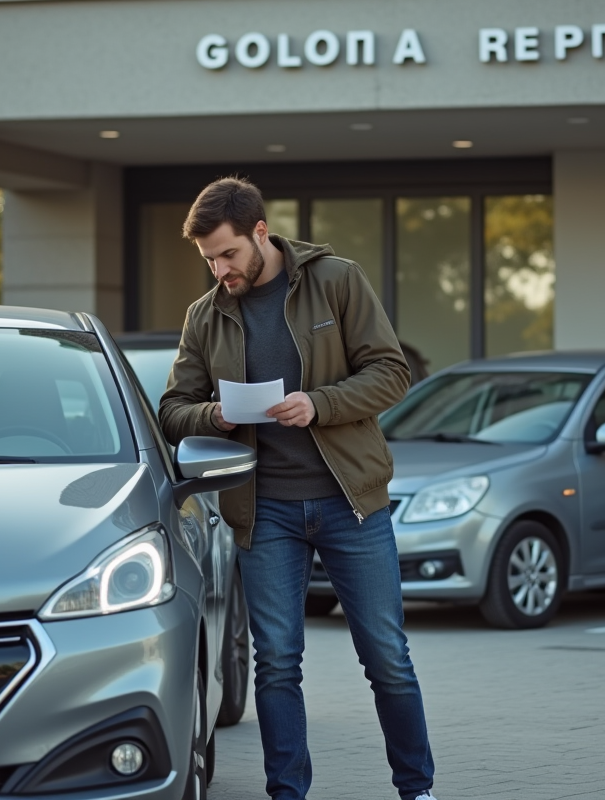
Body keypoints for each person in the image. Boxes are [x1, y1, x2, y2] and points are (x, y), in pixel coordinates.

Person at [159, 177, 437, 800]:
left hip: (351, 503)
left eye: (228, 254)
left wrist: (320, 403)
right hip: (265, 512)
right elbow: (173, 408)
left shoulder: (336, 279)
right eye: (208, 259)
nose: (219, 269)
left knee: (386, 658)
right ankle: (288, 793)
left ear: (261, 232)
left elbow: (393, 372)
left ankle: (417, 789)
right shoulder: (205, 316)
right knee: (277, 664)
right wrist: (216, 417)